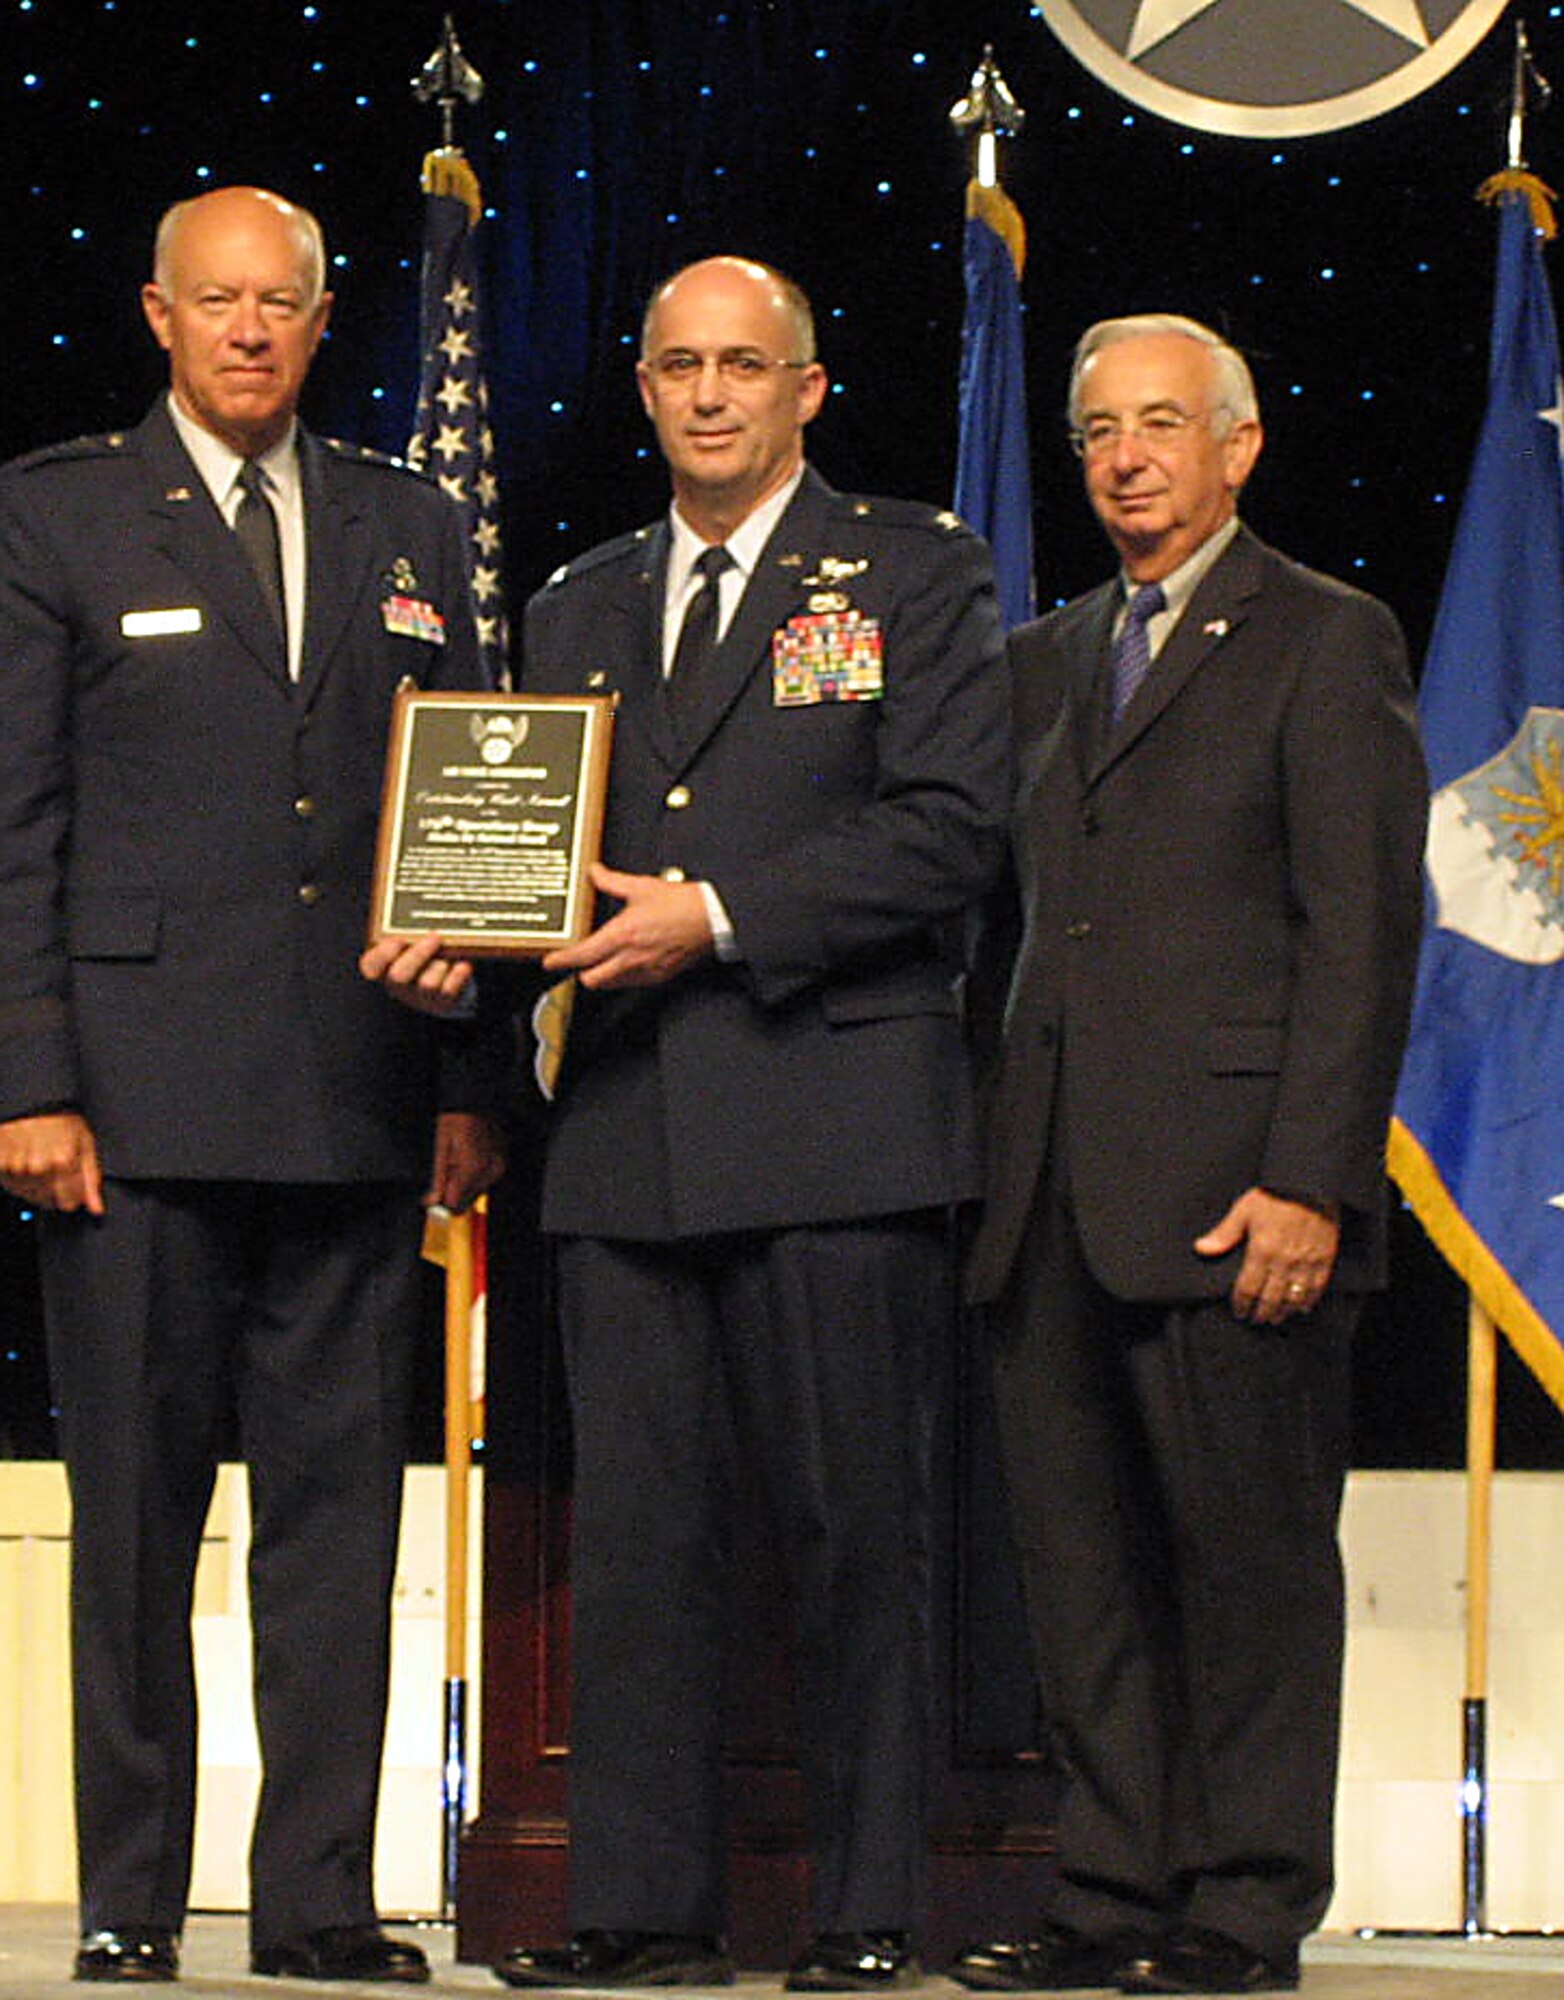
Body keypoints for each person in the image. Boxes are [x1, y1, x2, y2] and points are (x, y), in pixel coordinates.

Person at [365, 255, 1011, 1991]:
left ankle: (871, 1910)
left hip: (840, 1124)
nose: (711, 393)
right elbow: (527, 871)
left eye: (746, 365)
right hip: (630, 1144)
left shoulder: (919, 571)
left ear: (810, 388)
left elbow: (955, 831)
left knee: (855, 1531)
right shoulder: (573, 608)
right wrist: (456, 966)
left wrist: (716, 913)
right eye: (678, 366)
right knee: (637, 1556)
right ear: (643, 390)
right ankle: (638, 1910)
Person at [0, 186, 510, 1986]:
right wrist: (29, 1078)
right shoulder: (53, 512)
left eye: (276, 304)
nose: (244, 332)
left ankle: (314, 1903)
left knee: (332, 1538)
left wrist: (468, 1083)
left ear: (316, 318)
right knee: (132, 1535)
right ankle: (133, 1901)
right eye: (213, 303)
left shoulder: (410, 519)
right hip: (124, 1119)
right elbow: (15, 824)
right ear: (156, 313)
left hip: (360, 1105)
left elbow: (466, 819)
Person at [949, 315, 1427, 1997]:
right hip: (1050, 1203)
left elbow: (1363, 931)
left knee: (1249, 1580)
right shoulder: (1045, 656)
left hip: (1243, 1203)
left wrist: (1314, 1177)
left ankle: (1240, 1910)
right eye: (1097, 431)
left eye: (1162, 424)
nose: (1125, 456)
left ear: (1241, 445)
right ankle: (1110, 1900)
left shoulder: (1324, 635)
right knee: (1084, 1587)